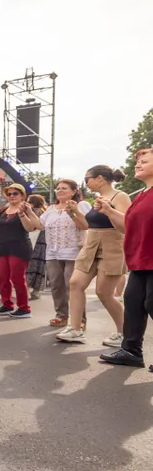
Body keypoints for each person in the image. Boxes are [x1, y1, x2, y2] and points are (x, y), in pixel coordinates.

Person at [53, 165, 130, 345]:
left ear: (100, 178)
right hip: (92, 244)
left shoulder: (120, 196)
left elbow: (127, 225)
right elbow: (87, 225)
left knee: (104, 293)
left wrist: (109, 210)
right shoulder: (98, 198)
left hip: (112, 246)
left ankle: (124, 332)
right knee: (75, 283)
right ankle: (75, 328)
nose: (86, 182)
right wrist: (74, 213)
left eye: (87, 178)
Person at [99, 149, 153, 368]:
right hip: (141, 259)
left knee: (151, 302)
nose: (137, 165)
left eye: (144, 161)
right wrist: (109, 211)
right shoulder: (141, 195)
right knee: (133, 303)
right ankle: (131, 351)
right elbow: (128, 227)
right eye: (137, 162)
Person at [31, 180, 92, 328]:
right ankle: (61, 316)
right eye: (58, 188)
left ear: (74, 191)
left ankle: (80, 320)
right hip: (53, 252)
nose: (60, 191)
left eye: (64, 188)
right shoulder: (51, 209)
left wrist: (72, 212)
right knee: (56, 285)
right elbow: (39, 225)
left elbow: (85, 225)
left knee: (73, 286)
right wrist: (27, 213)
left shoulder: (82, 205)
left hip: (73, 252)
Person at [0, 183, 35, 318]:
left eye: (15, 193)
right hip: (3, 248)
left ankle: (24, 308)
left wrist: (23, 214)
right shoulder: (4, 210)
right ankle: (7, 304)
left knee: (17, 278)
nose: (11, 196)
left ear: (22, 195)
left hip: (19, 248)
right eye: (9, 194)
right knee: (2, 277)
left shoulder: (25, 209)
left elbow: (30, 227)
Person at [25, 194, 48, 300]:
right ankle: (36, 290)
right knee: (40, 266)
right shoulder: (45, 212)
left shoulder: (32, 211)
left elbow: (31, 227)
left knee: (30, 264)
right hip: (42, 241)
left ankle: (26, 288)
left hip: (33, 239)